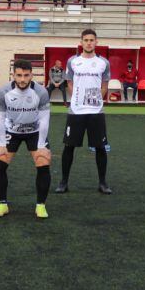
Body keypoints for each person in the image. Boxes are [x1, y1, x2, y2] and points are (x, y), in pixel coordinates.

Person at [0, 59, 53, 219]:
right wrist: (2, 144)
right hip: (12, 130)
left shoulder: (41, 92)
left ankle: (41, 206)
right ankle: (2, 204)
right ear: (13, 75)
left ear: (32, 75)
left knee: (43, 161)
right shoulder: (4, 91)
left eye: (26, 75)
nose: (22, 79)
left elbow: (45, 119)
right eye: (19, 75)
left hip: (35, 131)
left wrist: (41, 145)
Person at [55, 29, 112, 194]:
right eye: (86, 40)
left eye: (91, 40)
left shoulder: (104, 63)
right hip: (76, 111)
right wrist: (77, 98)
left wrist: (96, 100)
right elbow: (69, 82)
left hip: (96, 111)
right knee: (69, 146)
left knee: (100, 147)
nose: (89, 43)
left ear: (96, 42)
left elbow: (105, 86)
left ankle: (102, 183)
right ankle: (63, 182)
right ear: (81, 42)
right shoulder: (72, 61)